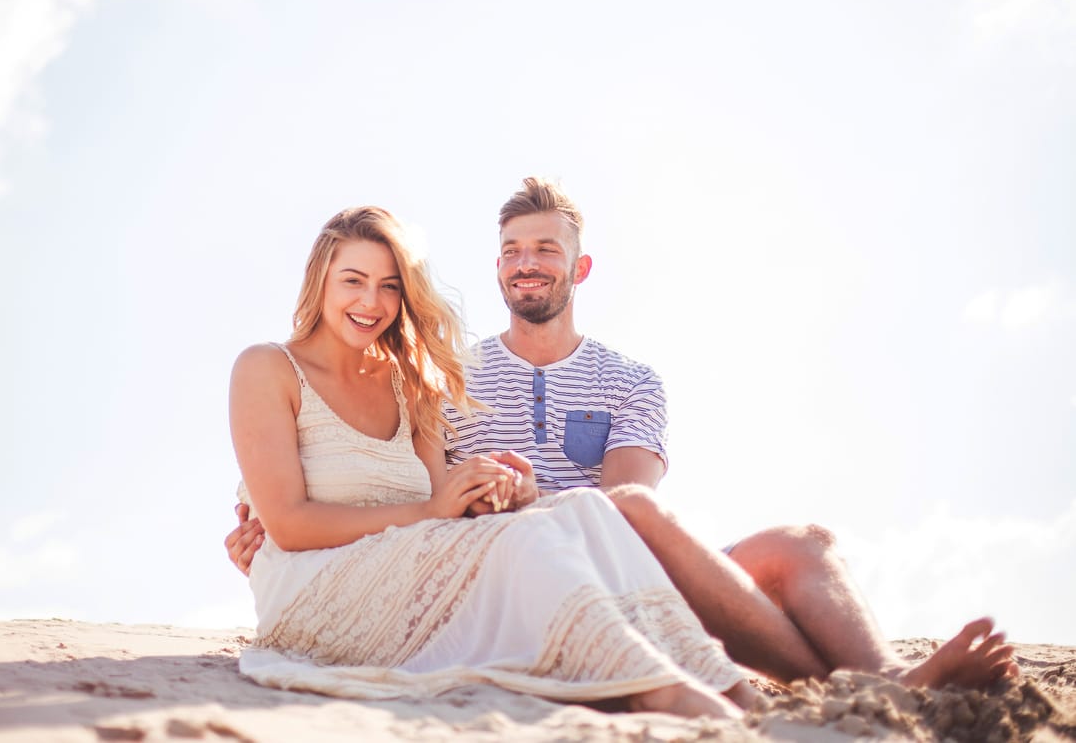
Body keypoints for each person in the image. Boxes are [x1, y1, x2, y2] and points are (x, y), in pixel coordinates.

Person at [228, 181, 1018, 689]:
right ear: (496, 269)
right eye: (510, 252)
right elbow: (406, 491)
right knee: (623, 513)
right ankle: (867, 694)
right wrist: (263, 523)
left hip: (625, 558)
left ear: (582, 267)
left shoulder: (631, 380)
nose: (525, 264)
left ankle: (884, 678)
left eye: (544, 249)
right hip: (519, 571)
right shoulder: (447, 380)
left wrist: (538, 492)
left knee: (800, 540)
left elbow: (626, 499)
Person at [228, 205, 759, 720]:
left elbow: (442, 513)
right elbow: (292, 526)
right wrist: (433, 509)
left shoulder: (411, 384)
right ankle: (660, 691)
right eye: (353, 280)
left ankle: (721, 680)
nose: (373, 301)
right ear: (319, 279)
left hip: (406, 562)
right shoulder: (267, 367)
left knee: (580, 511)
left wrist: (484, 492)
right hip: (309, 585)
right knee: (525, 540)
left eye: (390, 285)